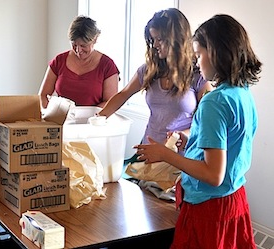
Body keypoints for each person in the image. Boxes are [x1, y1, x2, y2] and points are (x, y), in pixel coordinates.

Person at [135, 14, 262, 248]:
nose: (197, 62)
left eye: (199, 55)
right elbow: (230, 148)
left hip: (209, 208)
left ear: (215, 53)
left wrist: (165, 154)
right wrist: (192, 147)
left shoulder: (213, 102)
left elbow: (213, 175)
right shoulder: (242, 92)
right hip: (234, 198)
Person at [98, 8, 214, 147]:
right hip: (149, 150)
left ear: (176, 39)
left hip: (180, 154)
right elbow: (123, 95)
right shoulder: (148, 70)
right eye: (153, 39)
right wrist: (98, 119)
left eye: (160, 39)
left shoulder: (198, 75)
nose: (155, 45)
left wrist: (184, 135)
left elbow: (207, 122)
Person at [38, 15, 120, 109]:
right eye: (74, 45)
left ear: (95, 39)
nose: (78, 50)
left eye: (83, 45)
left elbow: (110, 103)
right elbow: (43, 95)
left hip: (92, 120)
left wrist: (85, 116)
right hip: (62, 121)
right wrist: (49, 114)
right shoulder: (59, 61)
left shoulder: (107, 66)